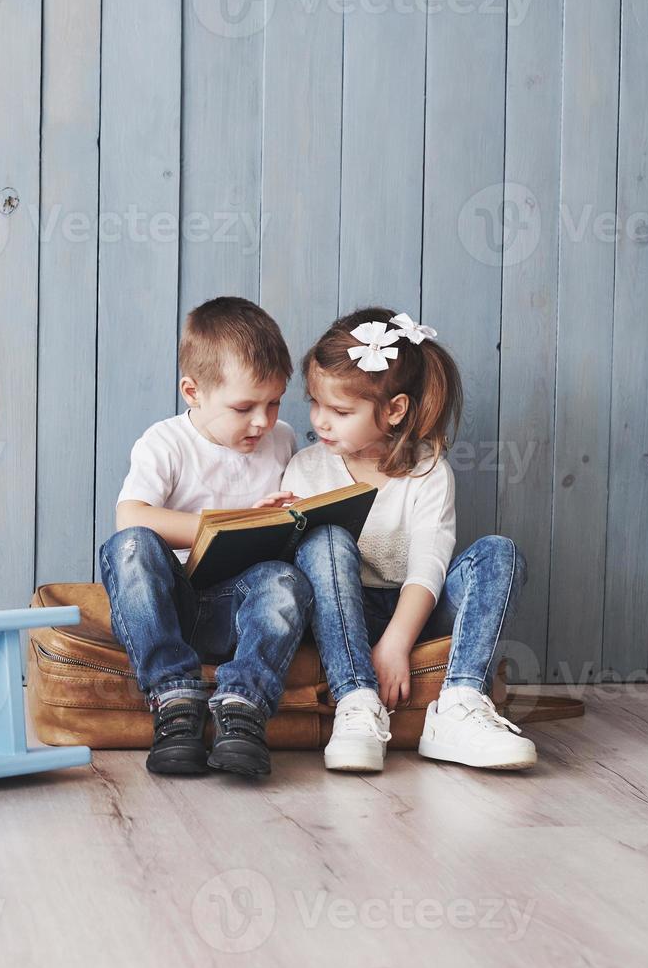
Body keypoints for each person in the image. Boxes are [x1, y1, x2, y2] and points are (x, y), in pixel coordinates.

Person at [286, 307, 536, 773]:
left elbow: (429, 565)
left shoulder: (428, 473)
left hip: (414, 610)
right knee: (325, 540)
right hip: (339, 614)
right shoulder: (307, 467)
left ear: (395, 409)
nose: (321, 421)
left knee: (499, 553)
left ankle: (460, 703)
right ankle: (356, 701)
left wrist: (397, 641)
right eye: (315, 404)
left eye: (340, 411)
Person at [99, 297, 313, 778]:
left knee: (284, 579)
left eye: (275, 401)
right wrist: (227, 522)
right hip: (169, 606)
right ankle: (174, 699)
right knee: (130, 546)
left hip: (237, 612)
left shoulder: (282, 440)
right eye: (244, 407)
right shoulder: (166, 442)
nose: (262, 420)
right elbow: (129, 516)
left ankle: (244, 705)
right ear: (192, 391)